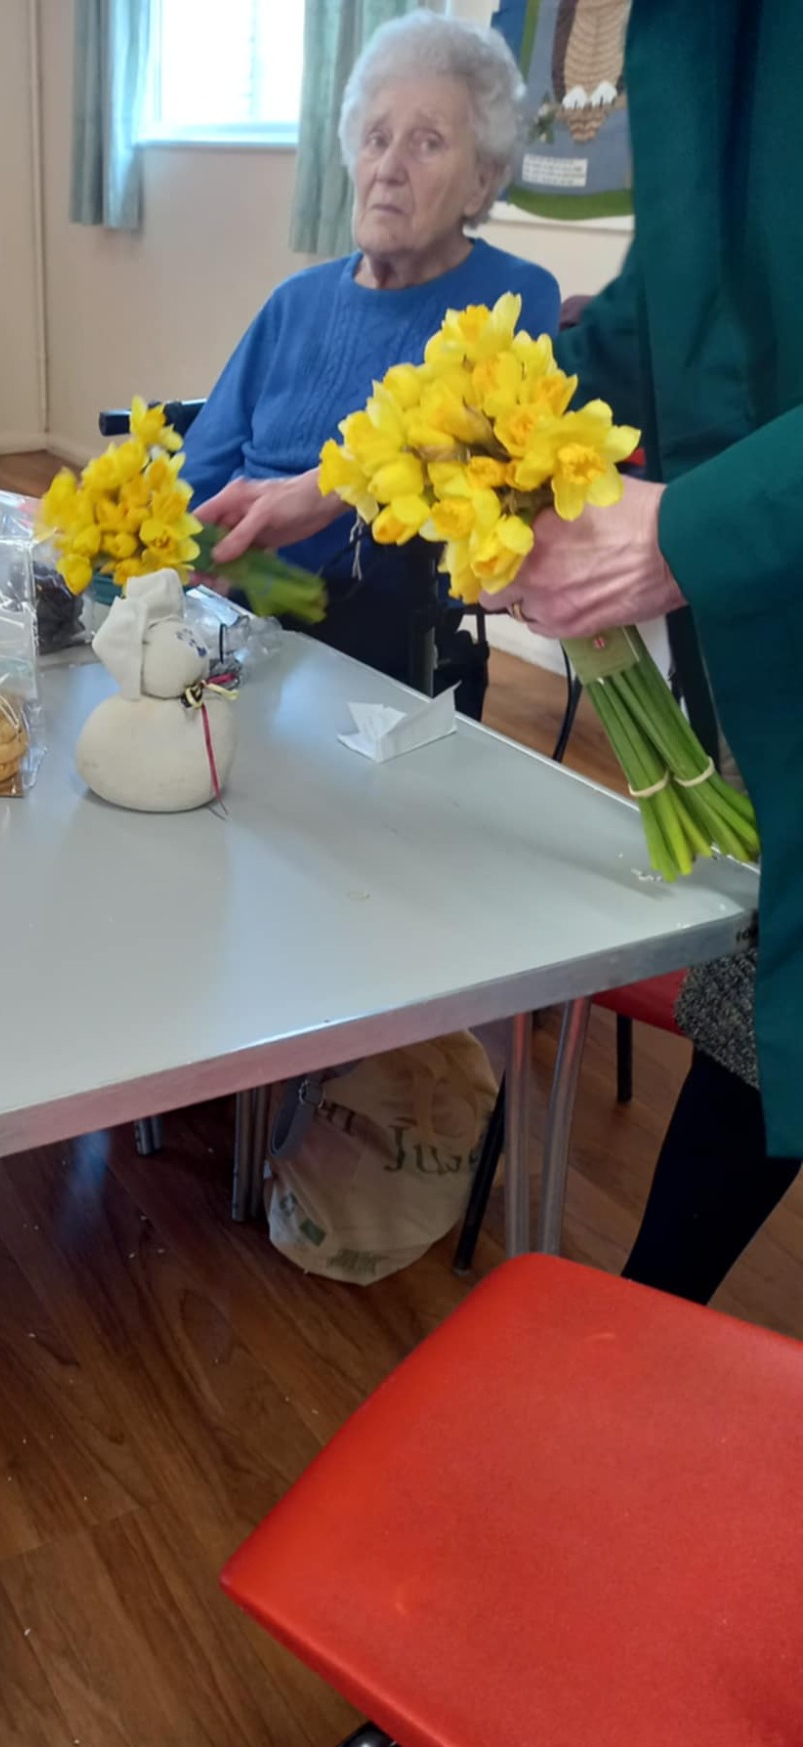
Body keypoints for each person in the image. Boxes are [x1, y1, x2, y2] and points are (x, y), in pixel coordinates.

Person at [210, 6, 803, 1307]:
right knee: (756, 1002)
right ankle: (643, 1319)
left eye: (429, 141)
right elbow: (657, 317)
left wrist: (692, 528)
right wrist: (333, 484)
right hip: (766, 646)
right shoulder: (689, 35)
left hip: (755, 561)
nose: (390, 164)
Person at [184, 11, 559, 699]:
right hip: (226, 618)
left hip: (373, 645)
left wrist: (325, 491)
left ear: (481, 182)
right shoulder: (294, 302)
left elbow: (484, 464)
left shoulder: (513, 299)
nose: (388, 168)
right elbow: (197, 476)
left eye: (427, 143)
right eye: (377, 139)